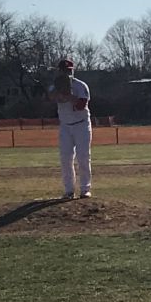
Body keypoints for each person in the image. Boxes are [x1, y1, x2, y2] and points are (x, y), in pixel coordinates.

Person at [47, 59, 92, 199]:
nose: (68, 73)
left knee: (83, 157)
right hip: (65, 126)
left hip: (81, 124)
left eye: (69, 70)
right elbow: (49, 98)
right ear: (59, 71)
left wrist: (68, 96)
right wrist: (58, 93)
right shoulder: (54, 86)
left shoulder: (80, 86)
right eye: (65, 70)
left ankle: (85, 189)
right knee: (65, 158)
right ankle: (69, 191)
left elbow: (81, 106)